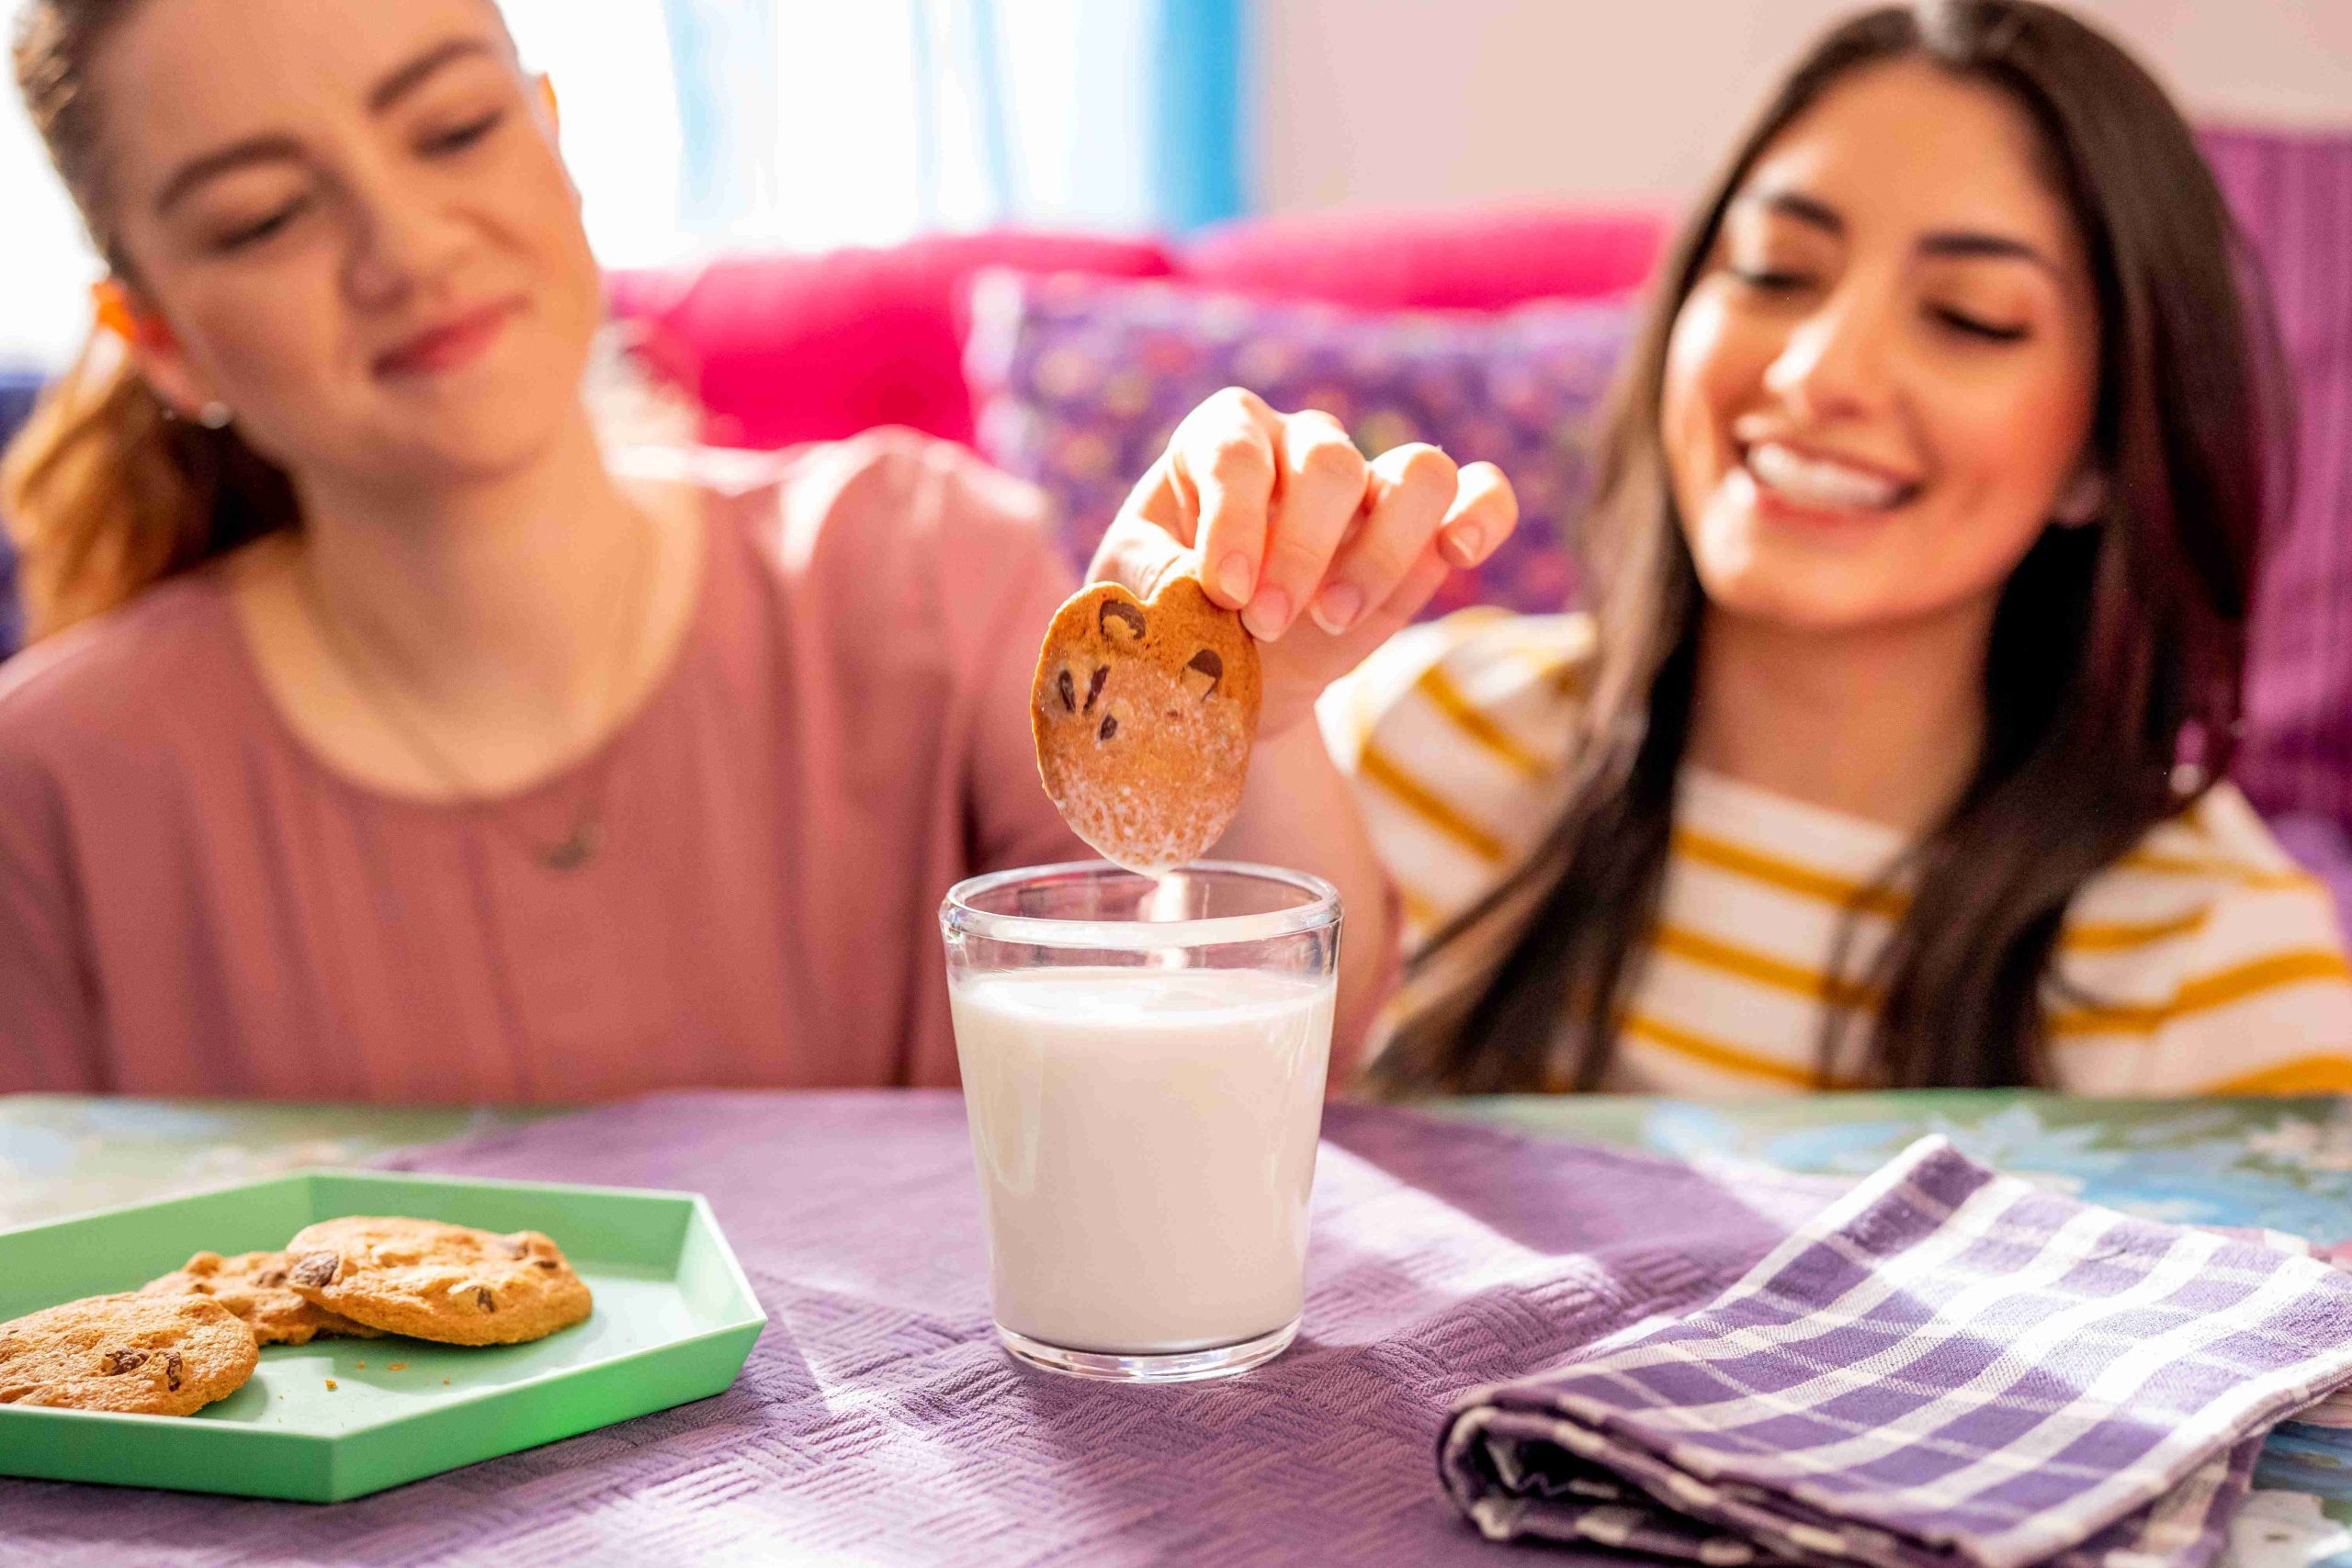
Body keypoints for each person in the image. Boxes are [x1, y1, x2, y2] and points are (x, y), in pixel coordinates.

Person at [0, 0, 1518, 1099]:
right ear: (163, 340)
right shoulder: (56, 787)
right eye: (265, 216)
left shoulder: (921, 567)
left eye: (456, 128)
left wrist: (1241, 712)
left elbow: (1270, 1048)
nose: (404, 244)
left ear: (556, 137)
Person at [1330, 0, 2352, 1096]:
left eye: (1969, 317)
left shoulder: (2206, 966)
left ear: (2101, 450)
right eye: (1774, 270)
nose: (1820, 372)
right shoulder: (1413, 736)